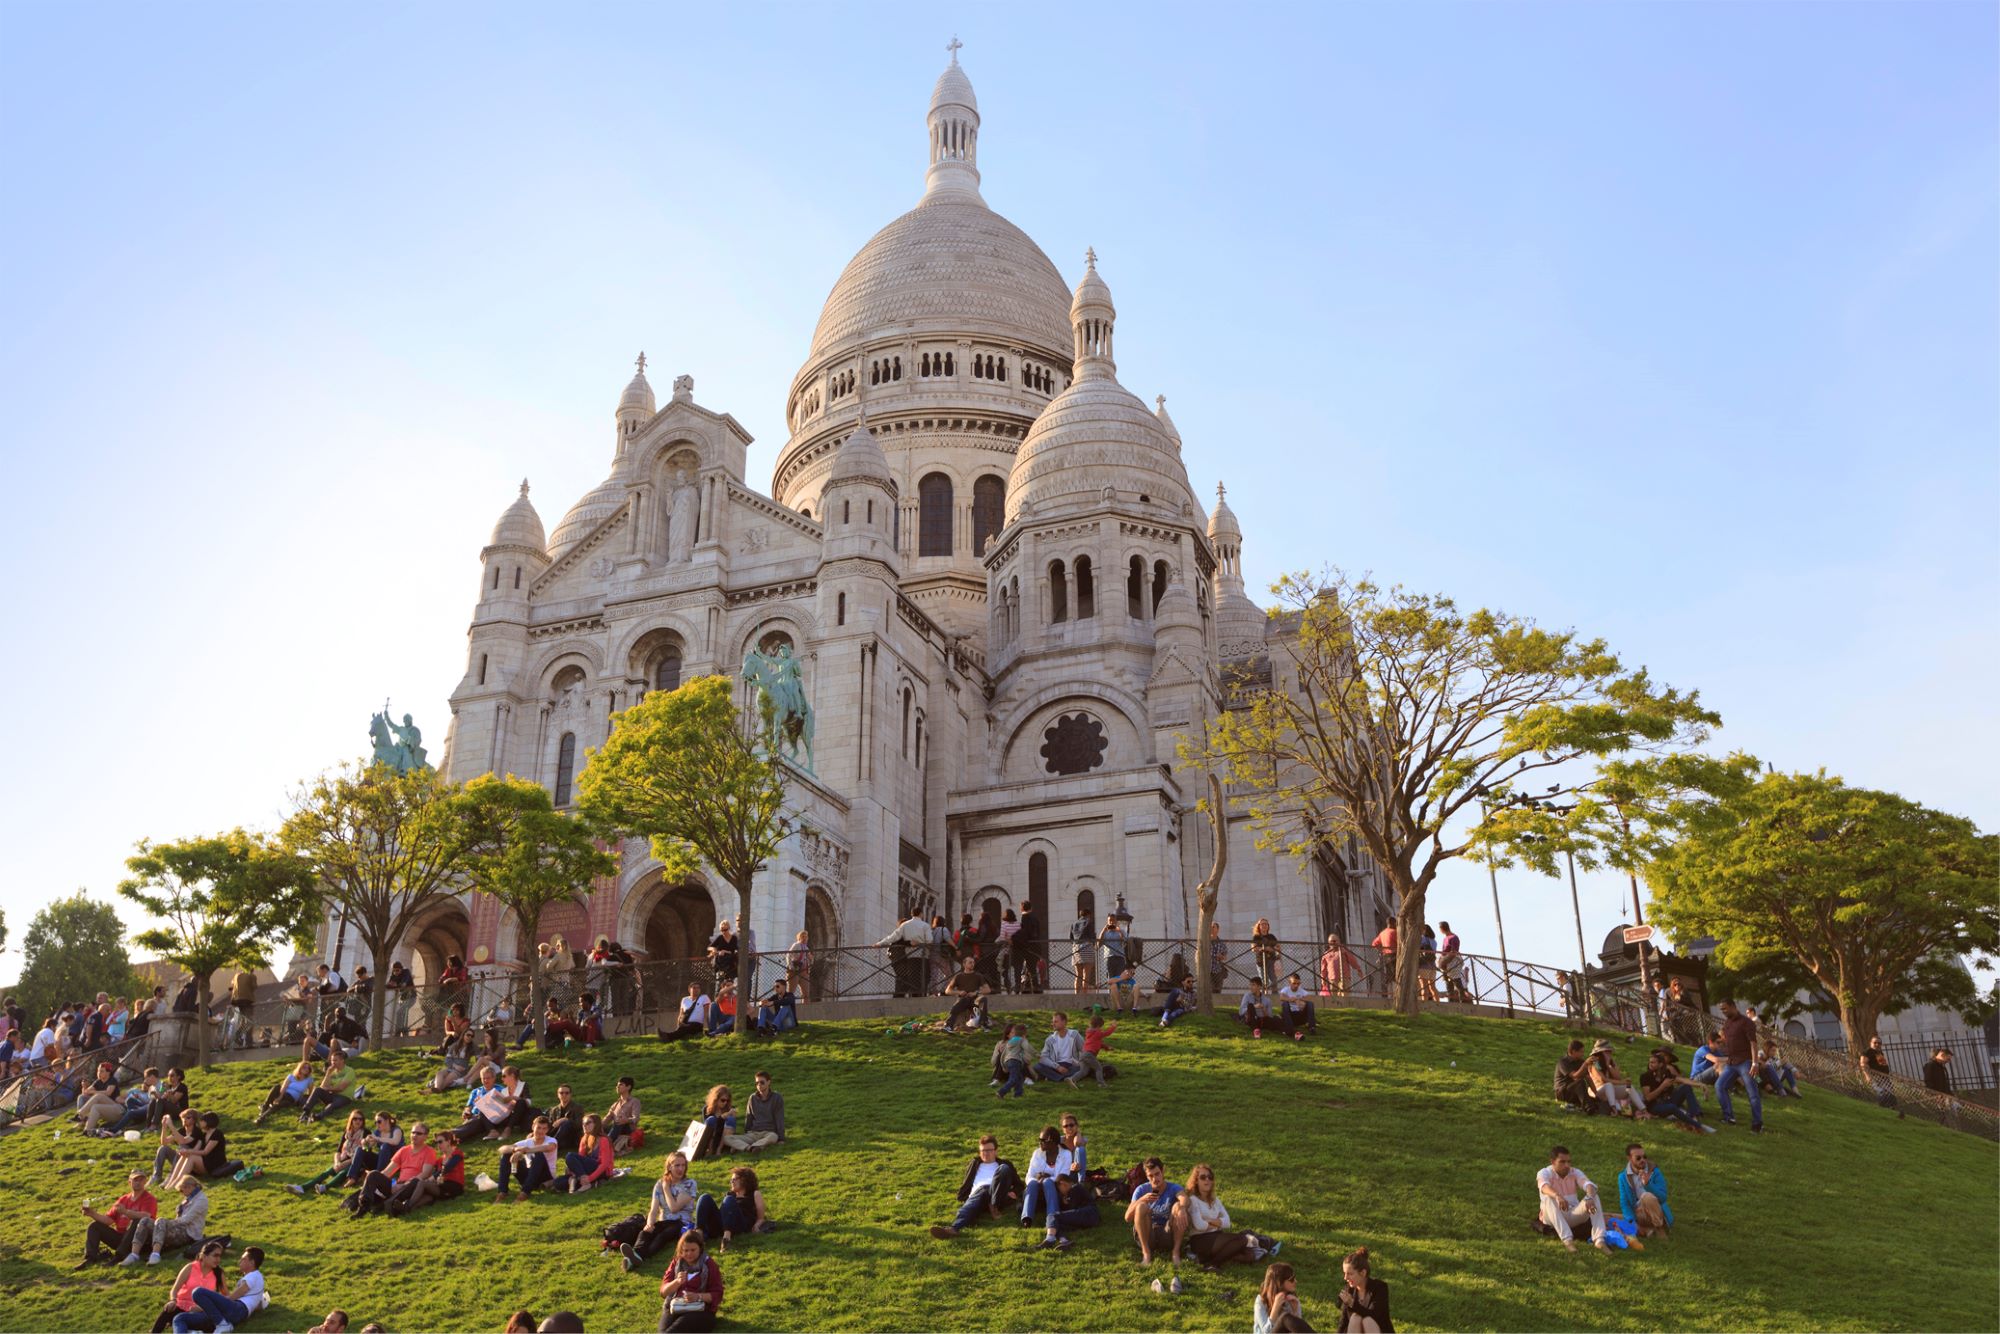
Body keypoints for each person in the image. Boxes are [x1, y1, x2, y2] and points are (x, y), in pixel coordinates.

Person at [1179, 1163, 1277, 1269]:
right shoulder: (1193, 1200)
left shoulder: (1215, 1201)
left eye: (1210, 1177)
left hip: (1217, 1237)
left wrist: (1209, 1221)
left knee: (1249, 1255)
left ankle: (1209, 1258)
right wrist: (1217, 1223)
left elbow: (1227, 1222)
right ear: (1196, 1181)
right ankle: (1213, 1264)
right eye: (1203, 1177)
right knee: (1243, 1240)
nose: (1207, 1180)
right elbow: (1199, 1226)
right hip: (1200, 1240)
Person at [929, 1133, 1021, 1239]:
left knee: (1003, 1168)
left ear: (996, 1151)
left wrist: (1014, 1192)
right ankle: (953, 1229)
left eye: (989, 1150)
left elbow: (1019, 1185)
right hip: (978, 1196)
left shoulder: (1004, 1164)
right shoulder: (975, 1164)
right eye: (983, 1151)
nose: (985, 1153)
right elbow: (966, 1182)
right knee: (981, 1191)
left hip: (997, 1196)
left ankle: (994, 1205)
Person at [622, 1151, 702, 1271]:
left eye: (683, 1165)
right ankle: (632, 1258)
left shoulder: (689, 1184)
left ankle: (637, 1257)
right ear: (669, 1166)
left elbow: (674, 1208)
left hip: (681, 1223)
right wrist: (649, 1224)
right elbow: (653, 1210)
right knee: (645, 1233)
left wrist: (666, 1189)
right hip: (664, 1221)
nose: (681, 1169)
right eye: (677, 1165)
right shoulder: (659, 1184)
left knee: (662, 1236)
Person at [349, 1121, 438, 1218]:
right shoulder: (404, 1150)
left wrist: (404, 1185)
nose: (414, 1135)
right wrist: (377, 1182)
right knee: (373, 1174)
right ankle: (363, 1207)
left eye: (418, 1133)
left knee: (415, 1181)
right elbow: (387, 1172)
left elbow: (425, 1174)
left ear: (426, 1136)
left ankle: (384, 1204)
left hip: (413, 1186)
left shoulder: (429, 1152)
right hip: (397, 1185)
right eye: (413, 1132)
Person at [171, 1244, 268, 1333]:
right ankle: (199, 1330)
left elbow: (233, 1297)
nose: (239, 1261)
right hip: (228, 1313)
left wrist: (209, 1304)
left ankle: (222, 1324)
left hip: (238, 1309)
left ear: (252, 1262)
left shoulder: (254, 1276)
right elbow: (258, 1302)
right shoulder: (255, 1278)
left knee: (198, 1292)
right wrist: (204, 1308)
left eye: (243, 1259)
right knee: (179, 1318)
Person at [1536, 1145, 1610, 1253]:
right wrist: (1557, 1195)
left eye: (1568, 1162)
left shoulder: (1574, 1172)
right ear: (1552, 1162)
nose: (1567, 1165)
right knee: (1548, 1198)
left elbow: (1589, 1185)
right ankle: (1568, 1241)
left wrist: (1589, 1196)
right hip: (1552, 1216)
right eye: (1562, 1162)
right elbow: (1544, 1187)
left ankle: (1599, 1241)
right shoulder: (1544, 1172)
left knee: (1594, 1196)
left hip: (1572, 1214)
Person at [122, 1175, 209, 1267]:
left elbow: (186, 1220)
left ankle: (155, 1254)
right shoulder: (190, 1198)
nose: (181, 1193)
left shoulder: (201, 1200)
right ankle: (134, 1254)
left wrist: (168, 1223)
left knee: (161, 1221)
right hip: (179, 1229)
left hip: (189, 1234)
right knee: (145, 1221)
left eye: (182, 1190)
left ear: (189, 1187)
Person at [79, 1169, 157, 1267]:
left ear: (145, 1182)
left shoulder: (149, 1198)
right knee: (94, 1226)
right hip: (121, 1238)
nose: (138, 1182)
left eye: (141, 1180)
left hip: (140, 1241)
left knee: (138, 1221)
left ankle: (119, 1257)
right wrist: (92, 1214)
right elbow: (108, 1220)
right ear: (130, 1182)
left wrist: (126, 1212)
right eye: (136, 1180)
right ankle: (91, 1258)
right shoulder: (123, 1199)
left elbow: (146, 1216)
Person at [657, 1229, 724, 1332]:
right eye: (686, 1250)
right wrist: (677, 1282)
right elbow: (663, 1292)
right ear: (681, 1250)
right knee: (663, 1330)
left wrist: (698, 1296)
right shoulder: (676, 1263)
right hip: (675, 1305)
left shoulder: (709, 1265)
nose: (689, 1254)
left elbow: (718, 1294)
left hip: (701, 1311)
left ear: (700, 1249)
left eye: (693, 1250)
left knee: (672, 1331)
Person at [150, 1241, 224, 1334]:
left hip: (201, 1311)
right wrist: (173, 1300)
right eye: (215, 1255)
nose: (218, 1259)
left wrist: (203, 1307)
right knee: (168, 1310)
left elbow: (224, 1298)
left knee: (207, 1322)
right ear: (204, 1256)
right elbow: (175, 1289)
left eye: (220, 1256)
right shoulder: (190, 1267)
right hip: (181, 1306)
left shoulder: (219, 1273)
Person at [1713, 1000, 1764, 1132]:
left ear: (1733, 1007)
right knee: (1719, 1085)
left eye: (1725, 1009)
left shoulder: (1747, 1022)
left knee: (1752, 1093)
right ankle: (1729, 1117)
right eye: (1721, 1010)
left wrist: (1755, 1063)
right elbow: (1725, 1039)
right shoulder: (1727, 1023)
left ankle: (1757, 1123)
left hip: (1745, 1062)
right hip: (1731, 1063)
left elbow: (1753, 1043)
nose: (1723, 1012)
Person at [1126, 1156, 1187, 1267]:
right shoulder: (1141, 1189)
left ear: (1163, 1171)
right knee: (1141, 1207)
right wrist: (1142, 1199)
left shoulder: (1173, 1187)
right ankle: (1146, 1253)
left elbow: (1183, 1197)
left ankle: (1175, 1252)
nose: (1155, 1179)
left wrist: (1182, 1208)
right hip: (1147, 1233)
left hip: (1167, 1233)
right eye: (1151, 1176)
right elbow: (1127, 1218)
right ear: (1146, 1176)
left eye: (1157, 1174)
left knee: (1179, 1205)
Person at [290, 1110, 368, 1195]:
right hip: (344, 1158)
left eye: (360, 1119)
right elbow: (338, 1151)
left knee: (343, 1172)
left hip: (357, 1162)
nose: (358, 1121)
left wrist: (344, 1164)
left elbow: (364, 1153)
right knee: (327, 1172)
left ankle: (325, 1187)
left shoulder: (366, 1133)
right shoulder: (347, 1132)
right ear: (351, 1120)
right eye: (355, 1119)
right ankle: (303, 1187)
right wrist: (337, 1162)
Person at [702, 1165, 775, 1250]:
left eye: (735, 1179)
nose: (732, 1182)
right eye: (731, 1180)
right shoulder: (730, 1194)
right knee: (705, 1197)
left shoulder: (754, 1194)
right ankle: (699, 1235)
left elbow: (760, 1218)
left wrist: (757, 1225)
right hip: (724, 1224)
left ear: (744, 1180)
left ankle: (726, 1239)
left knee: (729, 1199)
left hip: (741, 1224)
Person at [1019, 1125, 1073, 1237]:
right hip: (1036, 1192)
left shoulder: (1066, 1154)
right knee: (1032, 1182)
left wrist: (1046, 1178)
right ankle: (1027, 1218)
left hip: (1056, 1191)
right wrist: (1038, 1180)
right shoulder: (1037, 1153)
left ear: (1053, 1142)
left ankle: (1052, 1218)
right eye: (1039, 1140)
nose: (1040, 1143)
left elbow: (1063, 1177)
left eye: (1043, 1140)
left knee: (1048, 1182)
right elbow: (1029, 1175)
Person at [1639, 1049, 1711, 1133]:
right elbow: (1648, 1098)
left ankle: (1693, 1115)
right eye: (1650, 1062)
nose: (1650, 1064)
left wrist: (1701, 1085)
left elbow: (1683, 1080)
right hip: (1654, 1107)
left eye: (1653, 1062)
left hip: (1667, 1101)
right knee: (1672, 1107)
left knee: (1686, 1087)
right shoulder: (1645, 1076)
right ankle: (1697, 1125)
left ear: (1660, 1064)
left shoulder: (1666, 1074)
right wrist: (1663, 1086)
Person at [494, 1116, 561, 1202]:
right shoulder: (527, 1142)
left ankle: (524, 1193)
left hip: (545, 1176)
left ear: (547, 1130)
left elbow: (549, 1148)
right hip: (529, 1175)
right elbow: (502, 1149)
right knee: (506, 1155)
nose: (541, 1131)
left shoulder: (551, 1140)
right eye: (538, 1128)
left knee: (538, 1155)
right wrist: (515, 1150)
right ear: (533, 1127)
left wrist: (526, 1150)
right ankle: (502, 1191)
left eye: (544, 1129)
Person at [1617, 1142, 1672, 1237]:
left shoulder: (1654, 1171)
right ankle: (1647, 1230)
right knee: (1611, 1217)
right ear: (1629, 1158)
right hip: (1639, 1213)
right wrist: (1631, 1220)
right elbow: (1624, 1202)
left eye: (1644, 1157)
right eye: (1638, 1158)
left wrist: (1648, 1185)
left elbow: (1663, 1198)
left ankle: (1659, 1228)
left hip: (1657, 1211)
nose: (1642, 1160)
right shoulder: (1623, 1177)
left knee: (1647, 1197)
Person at [1583, 1039, 1650, 1118]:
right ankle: (1614, 1109)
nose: (1609, 1054)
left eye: (1610, 1051)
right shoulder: (1595, 1063)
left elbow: (1617, 1077)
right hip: (1598, 1090)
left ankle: (1644, 1110)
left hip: (1611, 1090)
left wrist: (1609, 1066)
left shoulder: (1611, 1062)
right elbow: (1603, 1080)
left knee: (1629, 1087)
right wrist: (1622, 1082)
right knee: (1608, 1085)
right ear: (1600, 1053)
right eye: (1606, 1051)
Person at [167, 1112, 233, 1190]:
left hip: (215, 1164)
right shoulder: (204, 1134)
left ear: (208, 1122)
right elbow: (196, 1149)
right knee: (186, 1155)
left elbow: (205, 1152)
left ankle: (176, 1184)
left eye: (202, 1121)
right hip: (205, 1162)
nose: (200, 1123)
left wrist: (189, 1152)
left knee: (191, 1157)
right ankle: (170, 1183)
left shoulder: (217, 1134)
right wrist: (186, 1152)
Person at [1334, 1247, 1393, 1332]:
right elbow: (1343, 1322)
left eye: (1350, 1274)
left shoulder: (1379, 1288)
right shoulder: (1349, 1290)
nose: (1345, 1278)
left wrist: (1352, 1303)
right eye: (1344, 1273)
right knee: (1355, 1318)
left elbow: (1374, 1315)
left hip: (1375, 1329)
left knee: (1367, 1321)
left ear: (1363, 1273)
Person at [341, 1110, 405, 1187]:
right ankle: (353, 1177)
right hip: (382, 1161)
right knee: (360, 1149)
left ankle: (377, 1177)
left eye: (379, 1121)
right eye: (375, 1122)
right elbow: (369, 1146)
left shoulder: (396, 1130)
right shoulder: (377, 1132)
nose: (377, 1124)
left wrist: (378, 1138)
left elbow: (395, 1141)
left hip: (394, 1164)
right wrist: (365, 1142)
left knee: (385, 1146)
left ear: (387, 1120)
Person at [875, 910, 931, 998]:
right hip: (901, 959)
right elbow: (898, 941)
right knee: (907, 978)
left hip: (902, 958)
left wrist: (880, 943)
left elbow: (894, 939)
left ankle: (907, 995)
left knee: (907, 978)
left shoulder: (903, 932)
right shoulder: (902, 934)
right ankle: (906, 996)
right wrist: (911, 943)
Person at [724, 1071, 784, 1152]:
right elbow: (749, 1117)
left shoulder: (776, 1098)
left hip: (768, 1132)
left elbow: (779, 1118)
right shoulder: (752, 1098)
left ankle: (746, 1146)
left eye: (762, 1082)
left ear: (768, 1082)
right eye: (757, 1083)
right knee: (726, 1138)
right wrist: (746, 1133)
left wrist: (781, 1139)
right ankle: (751, 1148)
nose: (759, 1085)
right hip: (753, 1133)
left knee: (774, 1137)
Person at [301, 1048, 363, 1124]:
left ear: (342, 1060)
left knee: (332, 1105)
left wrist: (328, 1089)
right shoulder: (332, 1071)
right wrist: (328, 1073)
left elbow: (341, 1088)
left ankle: (318, 1116)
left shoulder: (349, 1071)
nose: (333, 1062)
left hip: (344, 1097)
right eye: (332, 1060)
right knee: (317, 1090)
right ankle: (306, 1112)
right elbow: (322, 1087)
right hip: (332, 1095)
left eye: (335, 1060)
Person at [1255, 1261, 1315, 1333]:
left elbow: (1299, 1331)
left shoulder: (1292, 1299)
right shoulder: (1261, 1301)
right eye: (1291, 1279)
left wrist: (1295, 1311)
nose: (1296, 1281)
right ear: (1279, 1282)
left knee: (1286, 1318)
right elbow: (1266, 1332)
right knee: (1285, 1318)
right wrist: (1275, 1307)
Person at [563, 1114, 616, 1193]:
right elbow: (580, 1158)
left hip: (602, 1171)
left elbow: (604, 1164)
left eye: (588, 1123)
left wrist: (590, 1178)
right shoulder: (585, 1138)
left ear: (596, 1124)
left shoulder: (603, 1140)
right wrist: (572, 1169)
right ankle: (590, 1183)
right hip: (589, 1169)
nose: (584, 1125)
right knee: (558, 1182)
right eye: (583, 1123)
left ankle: (587, 1183)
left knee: (570, 1156)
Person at [150, 1109, 202, 1189]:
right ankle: (157, 1176)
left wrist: (171, 1125)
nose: (184, 1120)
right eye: (183, 1117)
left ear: (194, 1120)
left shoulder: (197, 1131)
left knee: (183, 1148)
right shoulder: (181, 1130)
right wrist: (164, 1127)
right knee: (163, 1148)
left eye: (188, 1117)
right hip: (180, 1159)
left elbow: (183, 1141)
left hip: (190, 1163)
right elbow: (164, 1142)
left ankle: (171, 1177)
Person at [1035, 1011, 1085, 1086]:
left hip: (1071, 1065)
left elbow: (1084, 1049)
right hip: (1056, 1065)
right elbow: (1043, 1058)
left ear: (1064, 1022)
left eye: (1056, 1021)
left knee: (1082, 1067)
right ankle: (1065, 1078)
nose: (1053, 1024)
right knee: (1038, 1066)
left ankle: (1052, 1077)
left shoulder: (1074, 1035)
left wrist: (1081, 1062)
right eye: (1053, 1022)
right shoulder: (1050, 1039)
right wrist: (1057, 1067)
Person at [942, 965, 993, 1033]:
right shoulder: (958, 976)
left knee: (983, 999)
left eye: (973, 962)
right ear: (965, 964)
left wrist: (976, 992)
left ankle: (984, 1025)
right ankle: (948, 1026)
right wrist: (959, 992)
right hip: (963, 999)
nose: (972, 964)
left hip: (975, 999)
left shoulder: (978, 976)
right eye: (970, 962)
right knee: (957, 1005)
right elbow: (947, 991)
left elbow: (988, 990)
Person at [606, 1076, 645, 1154]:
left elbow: (636, 1118)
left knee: (618, 1123)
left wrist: (626, 1120)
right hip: (615, 1127)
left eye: (621, 1085)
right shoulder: (616, 1104)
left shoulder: (634, 1101)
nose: (617, 1087)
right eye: (617, 1085)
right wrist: (597, 1125)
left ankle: (605, 1145)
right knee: (601, 1127)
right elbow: (607, 1118)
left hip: (628, 1129)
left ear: (628, 1087)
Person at [546, 1083, 586, 1156]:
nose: (564, 1095)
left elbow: (580, 1125)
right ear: (558, 1095)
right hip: (559, 1138)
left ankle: (552, 1145)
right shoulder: (554, 1110)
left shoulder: (577, 1108)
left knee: (566, 1124)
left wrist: (565, 1120)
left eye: (567, 1093)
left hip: (572, 1137)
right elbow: (551, 1126)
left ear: (570, 1094)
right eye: (561, 1093)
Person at [995, 1023, 1033, 1098]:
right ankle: (1001, 1092)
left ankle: (1018, 1094)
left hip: (1012, 1063)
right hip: (1014, 1062)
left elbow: (1003, 1055)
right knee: (1014, 1079)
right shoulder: (1021, 1041)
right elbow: (1029, 1050)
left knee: (1020, 1078)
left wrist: (1003, 1065)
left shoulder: (1011, 1043)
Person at [1277, 973, 1317, 1040]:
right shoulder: (1286, 989)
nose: (1296, 985)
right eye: (1294, 983)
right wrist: (1292, 1000)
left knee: (1310, 1004)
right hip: (1290, 1015)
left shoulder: (1301, 990)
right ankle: (1289, 1027)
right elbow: (1281, 997)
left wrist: (1299, 1000)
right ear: (1290, 983)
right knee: (1285, 1004)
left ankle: (1312, 1027)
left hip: (1300, 1014)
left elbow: (1310, 998)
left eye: (1298, 984)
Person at [1016, 898, 1043, 994]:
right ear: (1031, 908)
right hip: (1036, 946)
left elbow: (1025, 933)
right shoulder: (1035, 918)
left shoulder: (1025, 917)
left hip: (1028, 947)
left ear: (1022, 908)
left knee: (1030, 968)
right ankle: (1027, 988)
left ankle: (1036, 987)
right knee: (1029, 967)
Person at [1068, 905, 1098, 993]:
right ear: (1088, 914)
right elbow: (1092, 937)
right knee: (1086, 973)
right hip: (1087, 947)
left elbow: (1071, 938)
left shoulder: (1074, 924)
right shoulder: (1088, 922)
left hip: (1076, 948)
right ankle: (1085, 995)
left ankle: (1077, 994)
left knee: (1078, 975)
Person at [1438, 921, 1468, 1004]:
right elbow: (1443, 950)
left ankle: (1462, 1000)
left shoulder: (1453, 937)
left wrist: (1445, 961)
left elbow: (1454, 951)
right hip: (1445, 961)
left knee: (1456, 980)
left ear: (1442, 928)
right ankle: (1451, 1000)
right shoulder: (1445, 938)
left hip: (1452, 960)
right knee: (1448, 981)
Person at [1080, 1015, 1116, 1085]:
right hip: (1089, 1054)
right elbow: (1107, 1033)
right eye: (1100, 1027)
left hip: (1083, 1054)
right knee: (1099, 1068)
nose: (1101, 1029)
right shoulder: (1097, 1033)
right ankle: (1101, 1084)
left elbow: (1099, 1043)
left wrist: (1107, 1048)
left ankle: (1072, 1079)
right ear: (1098, 1026)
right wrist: (1113, 1026)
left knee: (1084, 1071)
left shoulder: (1090, 1033)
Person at [1320, 932, 1358, 998]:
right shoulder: (1326, 954)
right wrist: (1323, 979)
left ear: (1339, 941)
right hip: (1332, 979)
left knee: (1345, 996)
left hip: (1344, 978)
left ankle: (1346, 1007)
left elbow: (1352, 960)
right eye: (1330, 942)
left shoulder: (1344, 951)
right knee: (1334, 998)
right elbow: (1323, 969)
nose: (1332, 943)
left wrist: (1358, 969)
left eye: (1334, 941)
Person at [1250, 918, 1281, 989]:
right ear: (1259, 926)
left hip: (1271, 960)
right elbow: (1253, 948)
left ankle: (1274, 995)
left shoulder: (1271, 936)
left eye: (1266, 924)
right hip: (1261, 961)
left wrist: (1272, 949)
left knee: (1273, 979)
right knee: (1263, 980)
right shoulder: (1256, 937)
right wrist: (1263, 949)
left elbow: (1278, 947)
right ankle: (1263, 996)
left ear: (1268, 926)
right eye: (1262, 924)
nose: (1264, 925)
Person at [1369, 922, 1398, 998]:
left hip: (1386, 956)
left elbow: (1374, 944)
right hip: (1394, 955)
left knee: (1389, 975)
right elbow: (1400, 943)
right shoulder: (1394, 932)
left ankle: (1390, 994)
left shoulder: (1382, 933)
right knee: (1396, 975)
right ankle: (1396, 994)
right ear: (1393, 923)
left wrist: (1381, 951)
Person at [785, 931, 813, 1003]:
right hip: (795, 971)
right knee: (791, 992)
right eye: (803, 936)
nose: (805, 938)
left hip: (804, 971)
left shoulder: (806, 948)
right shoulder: (796, 945)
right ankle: (787, 1008)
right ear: (799, 938)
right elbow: (788, 955)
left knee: (806, 993)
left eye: (806, 937)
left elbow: (810, 960)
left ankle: (805, 1010)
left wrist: (811, 959)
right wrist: (790, 966)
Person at [1416, 924, 1440, 1003]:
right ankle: (1437, 1003)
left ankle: (1424, 1003)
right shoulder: (1434, 941)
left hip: (1424, 965)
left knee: (1423, 986)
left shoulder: (1423, 939)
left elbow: (1417, 947)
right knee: (1432, 987)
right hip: (1432, 965)